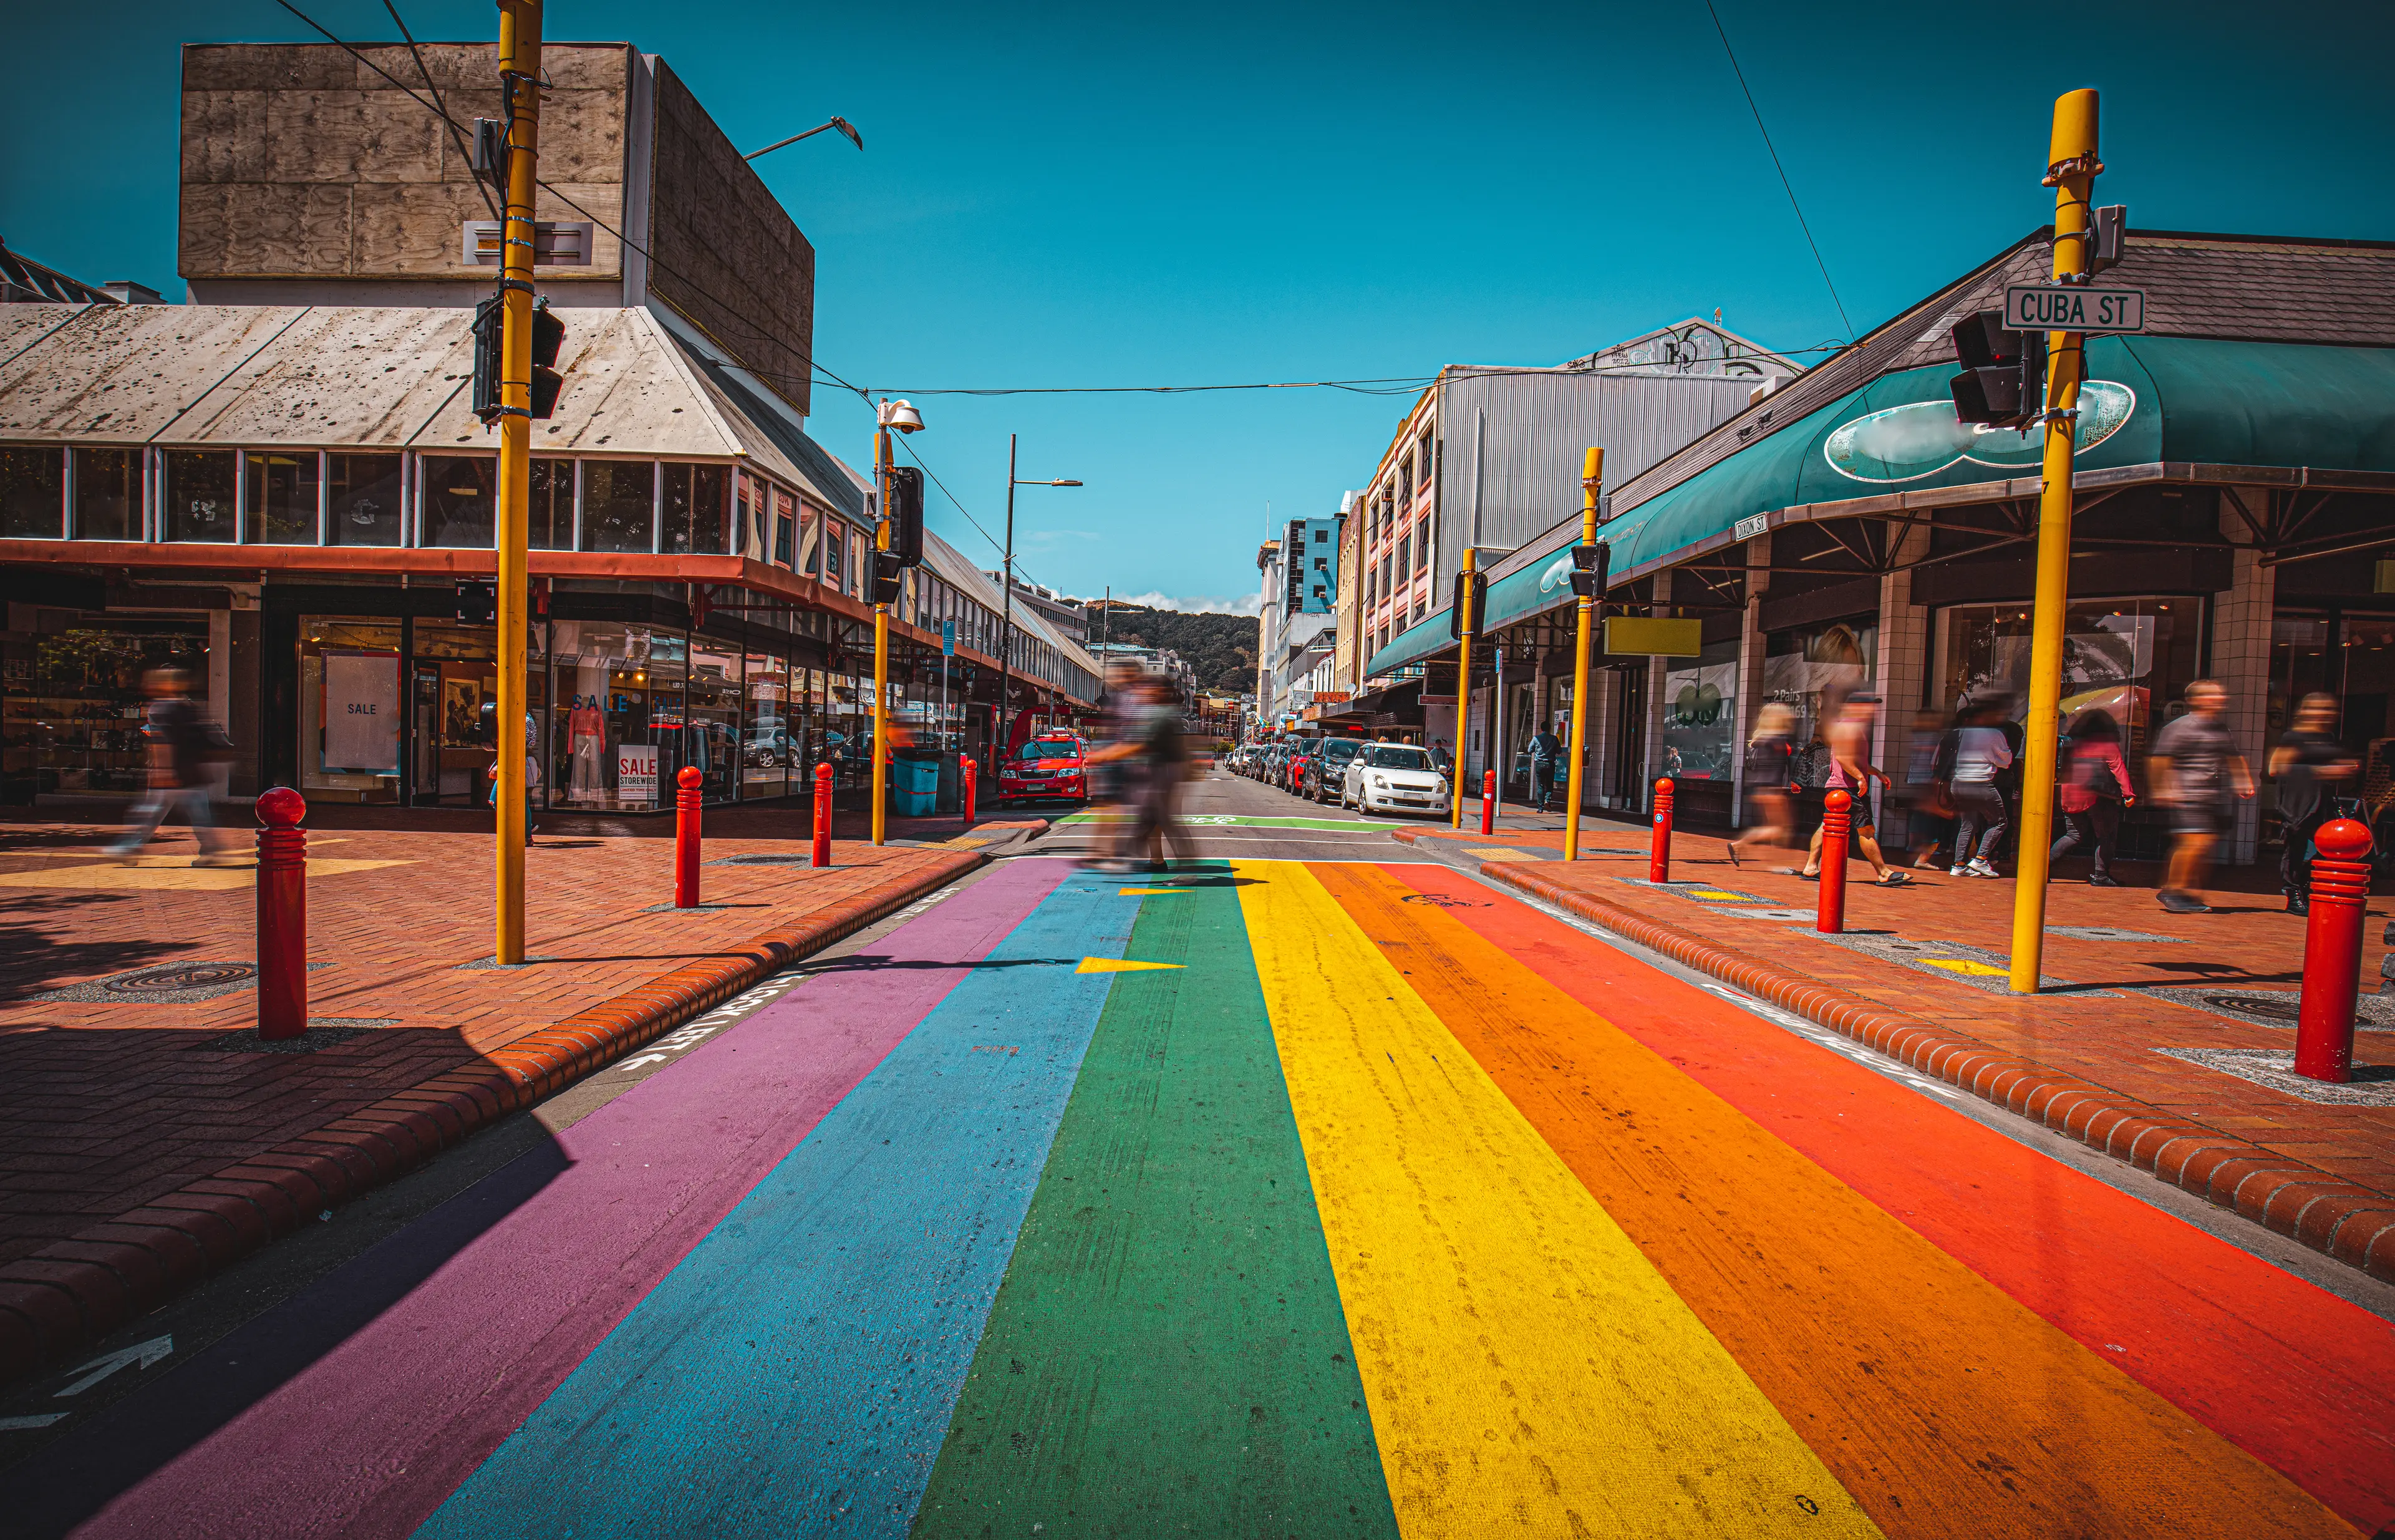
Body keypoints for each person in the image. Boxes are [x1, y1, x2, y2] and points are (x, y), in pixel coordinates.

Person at [108, 667, 240, 863]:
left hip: (174, 772)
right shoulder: (187, 706)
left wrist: (164, 771)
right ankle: (211, 850)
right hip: (194, 771)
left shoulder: (159, 709)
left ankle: (130, 847)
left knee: (152, 811)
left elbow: (164, 743)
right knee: (197, 812)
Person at [2149, 679, 2255, 914]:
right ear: (2194, 700)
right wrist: (2163, 789)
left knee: (2202, 845)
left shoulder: (2219, 728)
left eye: (2219, 695)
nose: (2219, 699)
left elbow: (2233, 757)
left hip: (2211, 795)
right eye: (2211, 695)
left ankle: (2185, 891)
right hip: (2187, 794)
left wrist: (2243, 779)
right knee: (2195, 843)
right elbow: (2160, 759)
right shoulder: (2179, 727)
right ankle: (2175, 891)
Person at [1801, 695, 1909, 885]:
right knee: (1866, 830)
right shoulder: (1850, 727)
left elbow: (1857, 760)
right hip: (1847, 788)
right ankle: (1884, 873)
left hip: (1838, 787)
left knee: (1826, 825)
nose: (1872, 711)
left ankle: (1810, 867)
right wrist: (1860, 778)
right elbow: (1843, 757)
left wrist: (1877, 773)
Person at [2268, 691, 2356, 914]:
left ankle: (2307, 888)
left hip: (2323, 801)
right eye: (2318, 709)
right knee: (2298, 848)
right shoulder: (2293, 737)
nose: (2324, 714)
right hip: (2299, 802)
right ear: (2304, 712)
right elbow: (2275, 769)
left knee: (2323, 848)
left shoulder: (2329, 737)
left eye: (2329, 709)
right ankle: (2293, 892)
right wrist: (2321, 770)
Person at [2051, 708, 2136, 886]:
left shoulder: (2072, 743)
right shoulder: (2107, 745)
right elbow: (2118, 769)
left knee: (2073, 835)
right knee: (2106, 837)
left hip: (2070, 794)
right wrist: (2128, 794)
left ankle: (2042, 869)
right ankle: (2100, 875)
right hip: (2097, 796)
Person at [1945, 699, 2015, 878]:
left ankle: (1959, 864)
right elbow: (2006, 761)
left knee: (1968, 823)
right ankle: (1981, 859)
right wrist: (1995, 760)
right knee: (2000, 822)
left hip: (1959, 784)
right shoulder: (1994, 734)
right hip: (1981, 783)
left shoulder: (1959, 734)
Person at [1728, 702, 1797, 868]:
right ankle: (1742, 847)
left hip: (1765, 786)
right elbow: (1779, 764)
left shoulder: (1765, 738)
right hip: (1771, 788)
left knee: (1778, 828)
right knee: (1780, 828)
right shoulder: (1775, 739)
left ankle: (1777, 863)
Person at [1526, 723, 1565, 813]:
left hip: (1539, 763)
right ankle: (1547, 800)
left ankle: (1540, 808)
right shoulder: (1554, 739)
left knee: (1541, 786)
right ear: (1550, 729)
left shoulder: (1536, 739)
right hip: (1550, 763)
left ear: (1541, 729)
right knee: (1550, 784)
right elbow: (1559, 751)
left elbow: (1529, 750)